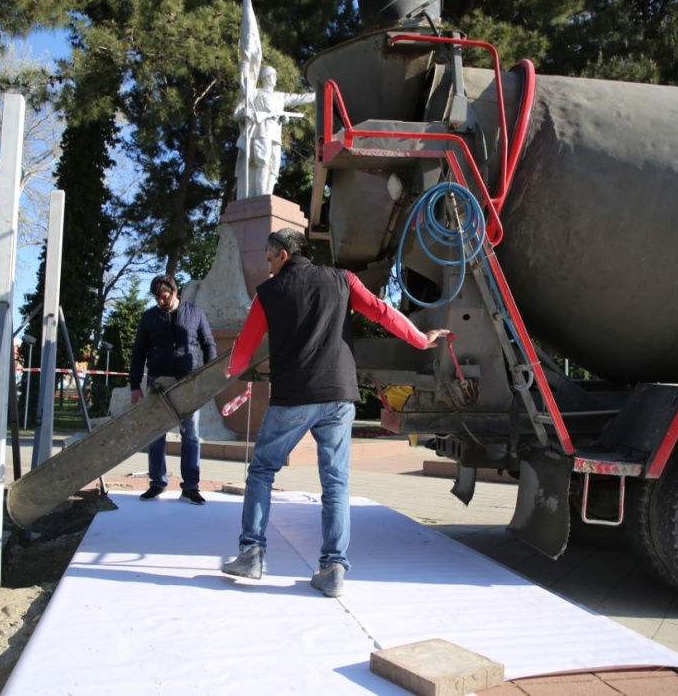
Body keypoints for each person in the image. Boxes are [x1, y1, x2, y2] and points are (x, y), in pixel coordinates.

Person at [221, 228, 449, 596]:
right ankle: (332, 570)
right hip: (340, 396)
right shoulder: (343, 279)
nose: (267, 267)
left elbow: (245, 347)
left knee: (262, 471)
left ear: (282, 254)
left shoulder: (268, 293)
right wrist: (421, 339)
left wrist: (232, 371)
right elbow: (381, 312)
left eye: (268, 259)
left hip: (293, 396)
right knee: (335, 484)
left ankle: (251, 554)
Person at [130, 274, 217, 505]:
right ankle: (157, 483)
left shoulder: (195, 312)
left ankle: (190, 487)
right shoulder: (149, 317)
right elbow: (138, 352)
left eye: (164, 297)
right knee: (156, 433)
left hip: (189, 380)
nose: (160, 302)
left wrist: (210, 377)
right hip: (158, 382)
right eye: (156, 298)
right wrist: (135, 386)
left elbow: (208, 343)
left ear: (175, 292)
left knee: (191, 434)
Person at [234, 65, 315, 199]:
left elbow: (301, 98)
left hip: (274, 136)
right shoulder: (254, 93)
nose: (276, 78)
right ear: (266, 77)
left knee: (273, 168)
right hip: (260, 132)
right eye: (273, 75)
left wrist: (320, 92)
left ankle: (266, 193)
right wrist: (245, 112)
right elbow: (236, 114)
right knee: (263, 162)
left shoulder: (279, 97)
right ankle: (261, 195)